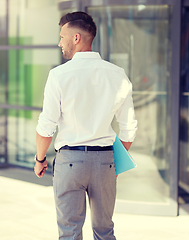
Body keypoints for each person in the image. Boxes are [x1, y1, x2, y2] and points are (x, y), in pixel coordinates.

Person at [34, 11, 138, 240]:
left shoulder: (58, 76)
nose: (60, 42)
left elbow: (46, 127)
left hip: (69, 161)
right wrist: (114, 161)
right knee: (105, 231)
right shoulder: (117, 74)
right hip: (105, 162)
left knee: (69, 234)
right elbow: (129, 128)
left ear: (76, 38)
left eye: (62, 36)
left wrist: (40, 159)